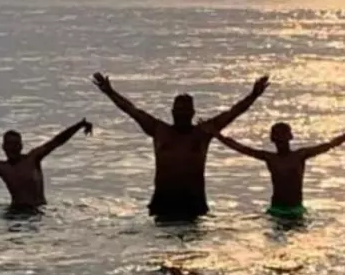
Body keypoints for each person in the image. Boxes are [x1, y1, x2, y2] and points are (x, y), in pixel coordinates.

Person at [92, 72, 270, 220]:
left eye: (186, 110)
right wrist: (109, 92)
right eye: (179, 109)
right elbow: (131, 109)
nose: (182, 113)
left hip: (193, 202)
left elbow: (233, 112)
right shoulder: (158, 129)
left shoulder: (203, 133)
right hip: (164, 201)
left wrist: (253, 95)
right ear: (172, 111)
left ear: (193, 113)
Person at [213, 116, 345, 218]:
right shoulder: (270, 158)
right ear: (272, 139)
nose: (281, 139)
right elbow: (241, 148)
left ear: (290, 137)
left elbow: (330, 145)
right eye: (277, 136)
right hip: (276, 210)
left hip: (296, 210)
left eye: (283, 135)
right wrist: (217, 135)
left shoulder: (300, 155)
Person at [0, 119, 93, 210]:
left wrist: (79, 125)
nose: (12, 148)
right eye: (9, 144)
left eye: (15, 144)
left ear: (21, 146)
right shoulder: (2, 167)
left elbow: (57, 141)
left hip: (38, 210)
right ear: (3, 147)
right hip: (15, 212)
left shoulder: (33, 158)